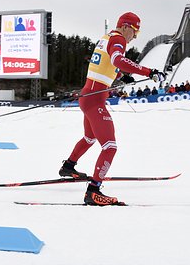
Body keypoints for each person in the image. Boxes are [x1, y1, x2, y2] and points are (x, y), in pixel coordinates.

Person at [58, 12, 165, 206]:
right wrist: (149, 71)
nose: (134, 37)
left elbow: (106, 63)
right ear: (125, 27)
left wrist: (121, 75)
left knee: (90, 138)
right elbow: (117, 59)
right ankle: (93, 191)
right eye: (134, 32)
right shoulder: (118, 39)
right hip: (95, 100)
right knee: (110, 147)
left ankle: (68, 166)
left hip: (88, 96)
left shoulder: (107, 38)